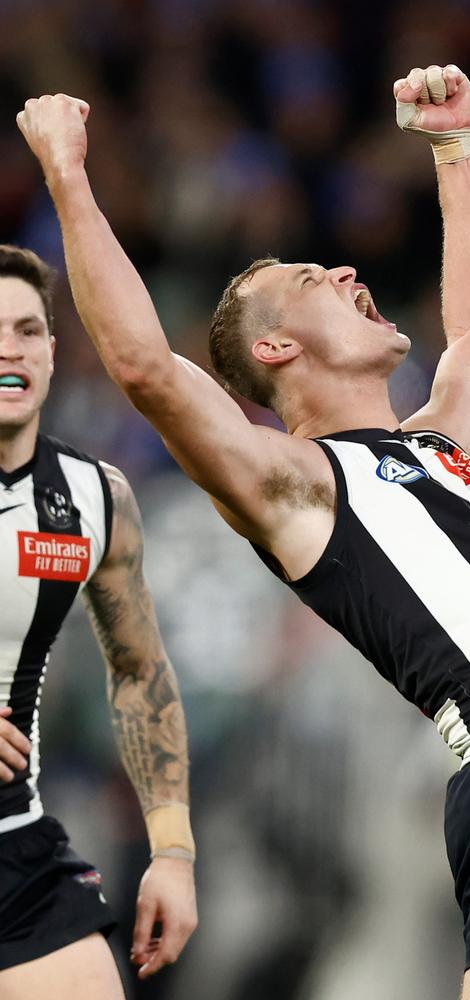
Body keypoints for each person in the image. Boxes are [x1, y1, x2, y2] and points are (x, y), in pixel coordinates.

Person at [16, 64, 470, 1000]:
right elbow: (148, 368)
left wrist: (457, 146)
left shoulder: (441, 451)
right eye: (315, 277)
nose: (349, 270)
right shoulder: (297, 487)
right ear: (276, 349)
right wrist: (69, 175)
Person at [0, 244, 197, 999]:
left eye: (27, 330)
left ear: (52, 352)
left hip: (13, 845)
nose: (9, 349)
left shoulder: (93, 500)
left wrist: (172, 853)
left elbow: (140, 670)